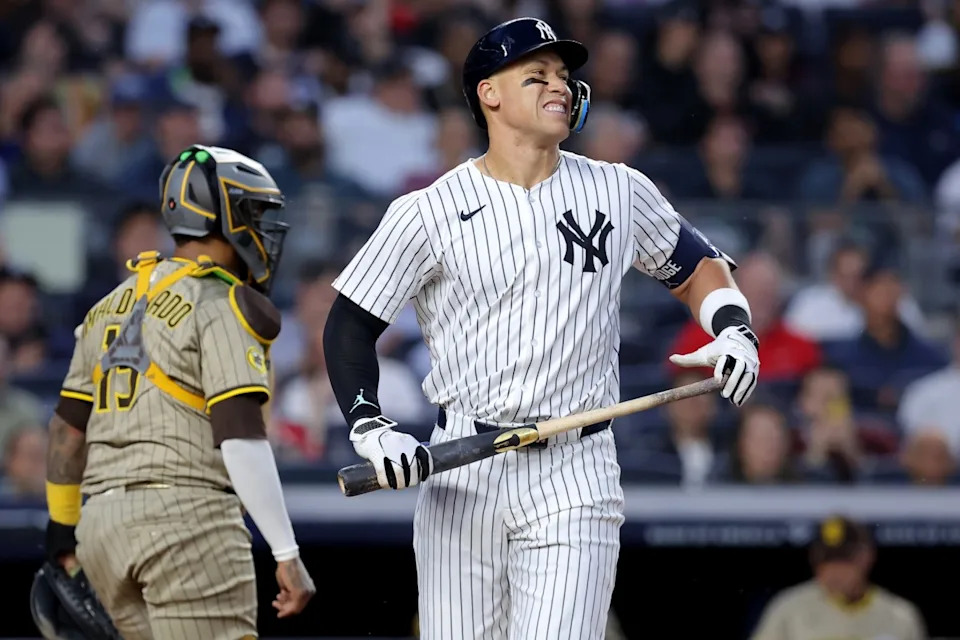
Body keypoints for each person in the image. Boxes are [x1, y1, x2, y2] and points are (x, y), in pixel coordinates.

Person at [322, 17, 761, 640]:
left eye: (563, 75)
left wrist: (734, 327)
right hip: (462, 465)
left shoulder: (618, 187)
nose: (559, 86)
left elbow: (697, 270)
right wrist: (369, 425)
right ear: (489, 94)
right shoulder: (428, 209)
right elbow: (349, 324)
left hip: (576, 465)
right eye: (537, 75)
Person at [41, 145, 315, 639]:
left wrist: (62, 530)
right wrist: (286, 552)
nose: (266, 227)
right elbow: (239, 437)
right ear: (226, 214)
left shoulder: (110, 303)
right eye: (255, 211)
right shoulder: (221, 299)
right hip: (187, 521)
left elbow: (66, 428)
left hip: (100, 527)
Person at [750, 516, 926, 640]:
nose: (833, 571)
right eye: (826, 560)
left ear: (866, 557)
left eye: (843, 560)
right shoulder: (789, 609)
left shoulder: (900, 616)